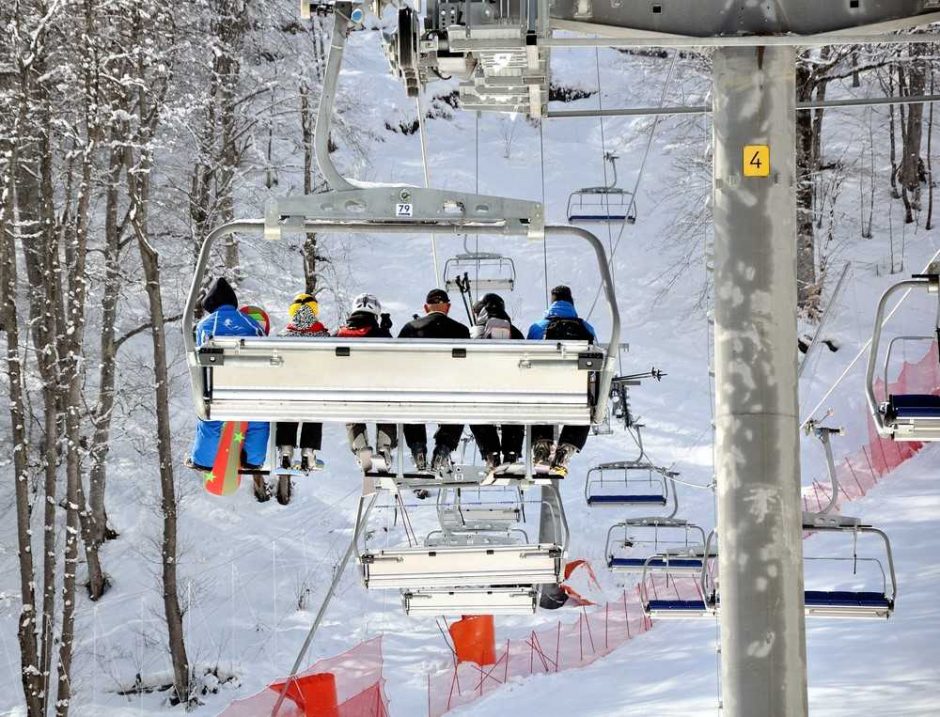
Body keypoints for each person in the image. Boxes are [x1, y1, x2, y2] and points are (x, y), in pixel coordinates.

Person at [190, 277, 270, 471]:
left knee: (209, 418)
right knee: (258, 420)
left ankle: (203, 461)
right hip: (249, 389)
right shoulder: (252, 324)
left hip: (217, 389)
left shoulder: (205, 325)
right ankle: (254, 460)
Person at [527, 285, 598, 477]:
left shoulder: (538, 327)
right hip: (576, 390)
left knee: (539, 399)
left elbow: (526, 356)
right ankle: (566, 448)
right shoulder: (585, 328)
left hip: (545, 388)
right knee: (587, 406)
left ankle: (542, 446)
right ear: (571, 304)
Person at [398, 288, 470, 474]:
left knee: (408, 399)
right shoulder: (461, 331)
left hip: (418, 391)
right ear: (448, 307)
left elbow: (396, 362)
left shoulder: (410, 328)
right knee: (460, 401)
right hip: (448, 392)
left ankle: (417, 447)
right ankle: (444, 447)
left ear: (425, 307)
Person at [335, 293, 397, 473]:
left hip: (348, 392)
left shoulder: (338, 334)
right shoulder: (380, 335)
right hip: (377, 390)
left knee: (351, 408)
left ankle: (361, 448)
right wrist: (385, 331)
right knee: (387, 403)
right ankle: (384, 448)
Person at [467, 293, 525, 473]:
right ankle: (511, 453)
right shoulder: (515, 333)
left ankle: (492, 454)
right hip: (510, 390)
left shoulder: (474, 333)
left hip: (483, 389)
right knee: (515, 407)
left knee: (473, 408)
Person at [275, 293, 328, 471]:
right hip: (315, 390)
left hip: (289, 390)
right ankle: (308, 451)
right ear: (315, 311)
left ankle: (286, 450)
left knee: (287, 398)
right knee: (316, 399)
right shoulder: (324, 336)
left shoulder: (282, 336)